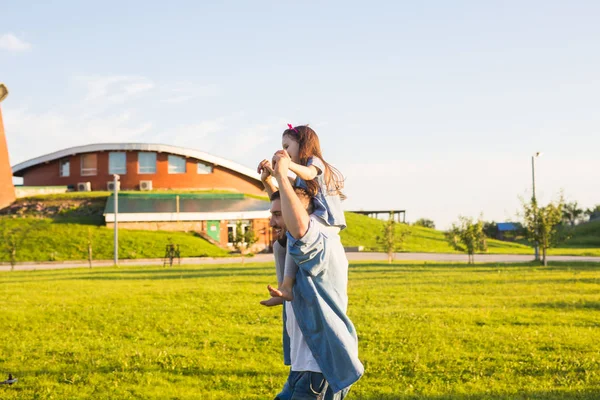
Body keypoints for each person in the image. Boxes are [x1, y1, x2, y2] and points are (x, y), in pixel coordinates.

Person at [262, 150, 363, 399]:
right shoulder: (290, 246)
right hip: (301, 369)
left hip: (318, 372)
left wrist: (284, 176)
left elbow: (297, 224)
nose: (272, 222)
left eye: (278, 215)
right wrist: (270, 181)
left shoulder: (319, 243)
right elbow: (288, 220)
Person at [258, 124, 346, 302]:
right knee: (278, 246)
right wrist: (273, 173)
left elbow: (308, 174)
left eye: (287, 146)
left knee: (294, 236)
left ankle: (287, 286)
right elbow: (287, 187)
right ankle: (282, 287)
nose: (284, 151)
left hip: (327, 221)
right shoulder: (299, 174)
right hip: (314, 219)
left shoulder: (315, 162)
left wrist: (287, 165)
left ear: (303, 144)